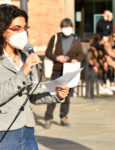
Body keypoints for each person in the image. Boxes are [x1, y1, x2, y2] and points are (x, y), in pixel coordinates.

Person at [0, 4, 69, 150]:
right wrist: (23, 73)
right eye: (16, 28)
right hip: (4, 131)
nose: (22, 33)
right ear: (2, 30)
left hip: (28, 130)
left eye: (25, 28)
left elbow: (32, 95)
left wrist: (56, 94)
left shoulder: (26, 56)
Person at [44, 18, 85, 128]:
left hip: (69, 71)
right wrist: (57, 57)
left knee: (67, 96)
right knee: (53, 94)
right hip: (57, 70)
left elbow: (81, 55)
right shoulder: (56, 37)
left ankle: (63, 116)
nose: (67, 29)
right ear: (61, 28)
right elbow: (48, 52)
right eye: (64, 27)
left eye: (68, 27)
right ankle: (48, 118)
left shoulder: (76, 39)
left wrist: (76, 60)